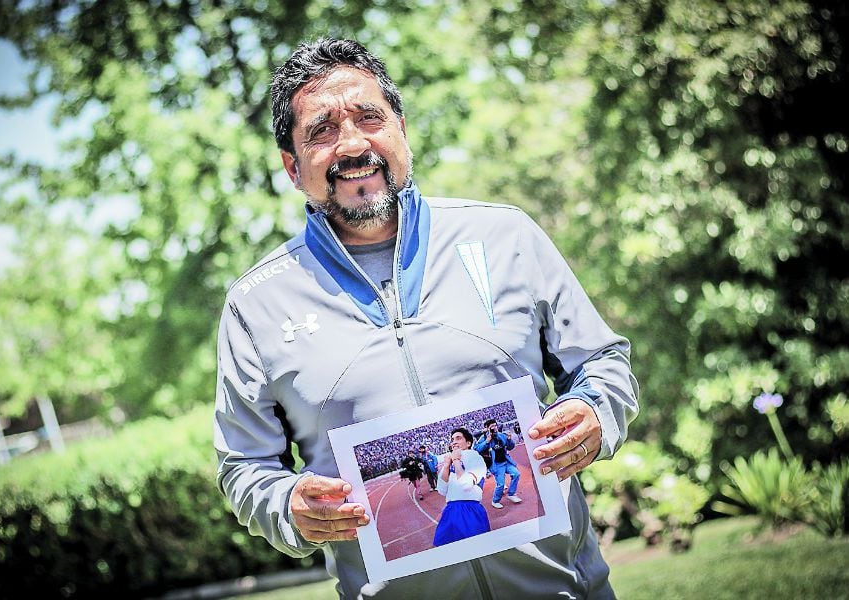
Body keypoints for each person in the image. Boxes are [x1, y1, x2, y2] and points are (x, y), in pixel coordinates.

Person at [214, 38, 639, 599]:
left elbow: (603, 362)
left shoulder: (504, 234)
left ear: (402, 131)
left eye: (370, 117)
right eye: (322, 130)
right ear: (293, 167)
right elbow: (244, 464)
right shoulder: (256, 303)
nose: (353, 144)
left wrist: (593, 413)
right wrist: (289, 507)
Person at [433, 428, 490, 546]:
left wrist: (456, 460)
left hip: (469, 509)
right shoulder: (451, 460)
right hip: (450, 510)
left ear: (468, 443)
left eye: (458, 438)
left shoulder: (475, 457)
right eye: (452, 439)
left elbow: (466, 484)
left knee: (476, 548)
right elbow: (442, 490)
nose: (454, 442)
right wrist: (447, 466)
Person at [474, 418, 522, 509]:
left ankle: (511, 494)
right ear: (487, 428)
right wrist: (486, 441)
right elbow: (476, 449)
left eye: (495, 426)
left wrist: (509, 440)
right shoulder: (483, 438)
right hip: (496, 465)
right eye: (492, 427)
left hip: (506, 462)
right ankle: (495, 501)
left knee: (516, 474)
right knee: (500, 484)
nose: (494, 428)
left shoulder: (501, 435)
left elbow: (510, 447)